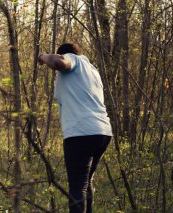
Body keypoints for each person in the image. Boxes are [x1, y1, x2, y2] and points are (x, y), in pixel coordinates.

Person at [38, 43, 113, 213]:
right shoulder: (93, 71)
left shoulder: (75, 60)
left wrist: (42, 56)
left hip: (81, 133)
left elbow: (59, 62)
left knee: (78, 186)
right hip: (102, 132)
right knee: (86, 183)